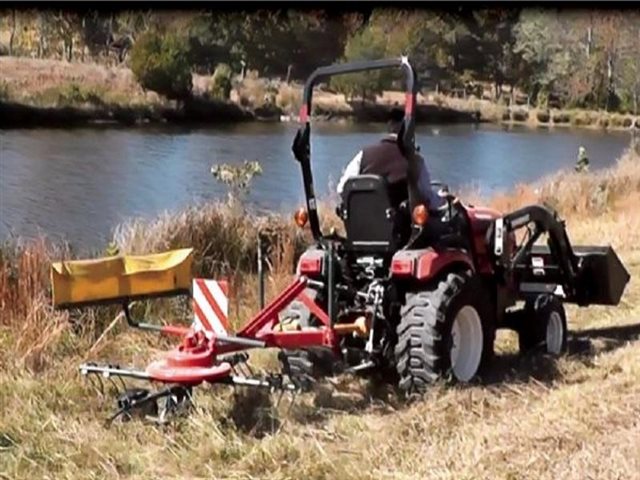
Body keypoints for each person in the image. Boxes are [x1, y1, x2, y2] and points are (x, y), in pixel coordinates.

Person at [336, 108, 444, 211]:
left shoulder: (363, 155)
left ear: (389, 126)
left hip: (363, 226)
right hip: (402, 227)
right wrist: (444, 199)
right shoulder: (415, 160)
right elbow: (428, 197)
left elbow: (342, 189)